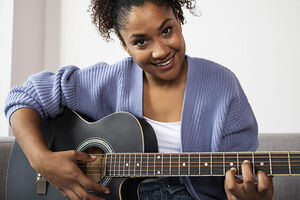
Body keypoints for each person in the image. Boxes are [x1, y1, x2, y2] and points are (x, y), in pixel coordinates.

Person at [4, 0, 273, 199]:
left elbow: (241, 175)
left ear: (178, 18)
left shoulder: (223, 85)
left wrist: (246, 195)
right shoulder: (108, 81)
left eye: (167, 31)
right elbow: (23, 96)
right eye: (141, 42)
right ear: (124, 44)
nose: (160, 51)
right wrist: (41, 159)